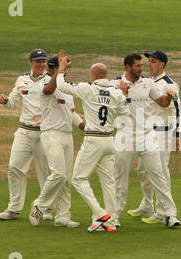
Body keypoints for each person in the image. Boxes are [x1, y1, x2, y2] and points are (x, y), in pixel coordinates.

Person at [55, 50, 130, 232]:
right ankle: (110, 222)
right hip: (109, 141)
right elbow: (125, 113)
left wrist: (62, 68)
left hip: (93, 139)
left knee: (78, 179)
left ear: (94, 75)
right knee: (108, 182)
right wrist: (124, 94)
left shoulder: (87, 88)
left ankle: (100, 213)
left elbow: (61, 86)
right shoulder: (116, 93)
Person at [110, 53, 181, 228]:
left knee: (158, 176)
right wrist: (122, 95)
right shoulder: (115, 84)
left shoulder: (147, 83)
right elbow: (112, 111)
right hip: (126, 137)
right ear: (128, 67)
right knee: (119, 178)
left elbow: (163, 102)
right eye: (138, 66)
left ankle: (170, 215)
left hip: (147, 136)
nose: (142, 69)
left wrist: (170, 95)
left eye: (142, 65)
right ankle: (114, 216)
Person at [0, 48, 52, 221]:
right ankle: (14, 209)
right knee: (14, 167)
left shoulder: (52, 80)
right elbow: (13, 103)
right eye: (38, 61)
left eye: (43, 61)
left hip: (44, 133)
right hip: (24, 131)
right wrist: (5, 101)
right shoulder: (22, 80)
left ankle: (47, 208)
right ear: (31, 62)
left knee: (46, 172)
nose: (41, 64)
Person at [28, 51, 82, 228]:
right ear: (52, 69)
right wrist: (60, 71)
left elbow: (71, 114)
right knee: (58, 174)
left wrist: (86, 127)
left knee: (67, 178)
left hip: (67, 135)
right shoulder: (45, 82)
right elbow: (49, 90)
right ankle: (39, 205)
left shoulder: (66, 89)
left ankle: (63, 217)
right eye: (60, 68)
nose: (65, 71)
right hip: (51, 134)